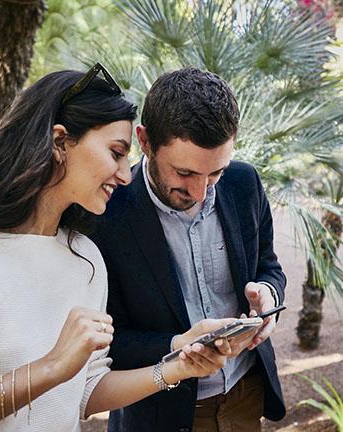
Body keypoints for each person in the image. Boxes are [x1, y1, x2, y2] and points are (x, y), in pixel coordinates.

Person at [0, 64, 236, 432]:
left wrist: (178, 365)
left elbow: (86, 391)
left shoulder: (86, 259)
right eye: (116, 152)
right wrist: (49, 368)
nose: (126, 175)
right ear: (60, 141)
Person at [91, 67, 287, 432]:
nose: (201, 192)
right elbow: (105, 341)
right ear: (145, 142)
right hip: (158, 414)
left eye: (215, 173)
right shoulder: (105, 213)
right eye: (184, 173)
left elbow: (268, 265)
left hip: (246, 394)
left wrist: (268, 295)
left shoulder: (244, 182)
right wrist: (177, 345)